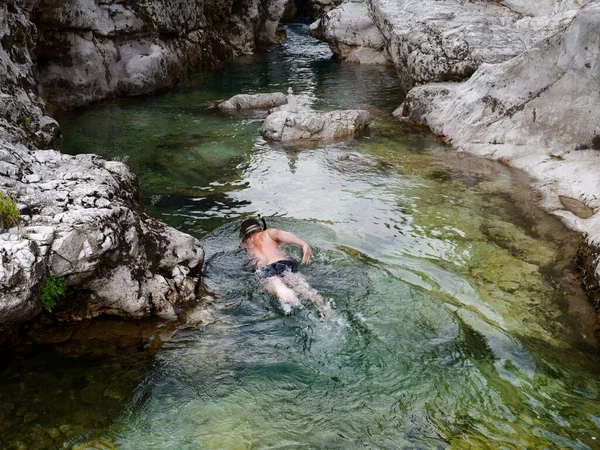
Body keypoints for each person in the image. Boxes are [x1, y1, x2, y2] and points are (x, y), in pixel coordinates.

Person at [240, 217, 329, 317]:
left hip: (264, 269)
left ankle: (279, 286)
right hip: (282, 263)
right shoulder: (268, 232)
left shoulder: (245, 245)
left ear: (245, 234)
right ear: (261, 228)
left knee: (271, 281)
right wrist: (304, 244)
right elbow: (284, 235)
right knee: (301, 286)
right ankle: (325, 312)